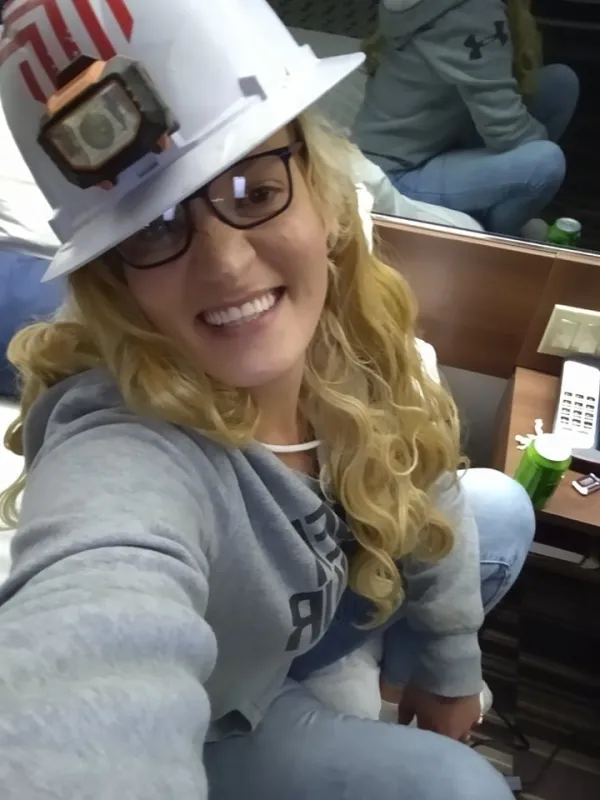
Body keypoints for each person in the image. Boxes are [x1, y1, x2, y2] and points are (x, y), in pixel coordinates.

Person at [0, 1, 533, 797]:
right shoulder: (126, 449)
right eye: (154, 227)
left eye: (252, 190)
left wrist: (452, 666)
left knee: (499, 509)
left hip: (313, 611)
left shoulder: (350, 334)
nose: (225, 266)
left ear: (321, 191)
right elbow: (88, 643)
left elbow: (428, 483)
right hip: (224, 706)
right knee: (462, 790)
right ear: (113, 275)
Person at [353, 0, 579, 237]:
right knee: (547, 163)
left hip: (426, 141)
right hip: (397, 174)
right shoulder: (472, 13)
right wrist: (533, 171)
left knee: (559, 84)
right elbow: (507, 132)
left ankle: (494, 203)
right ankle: (496, 240)